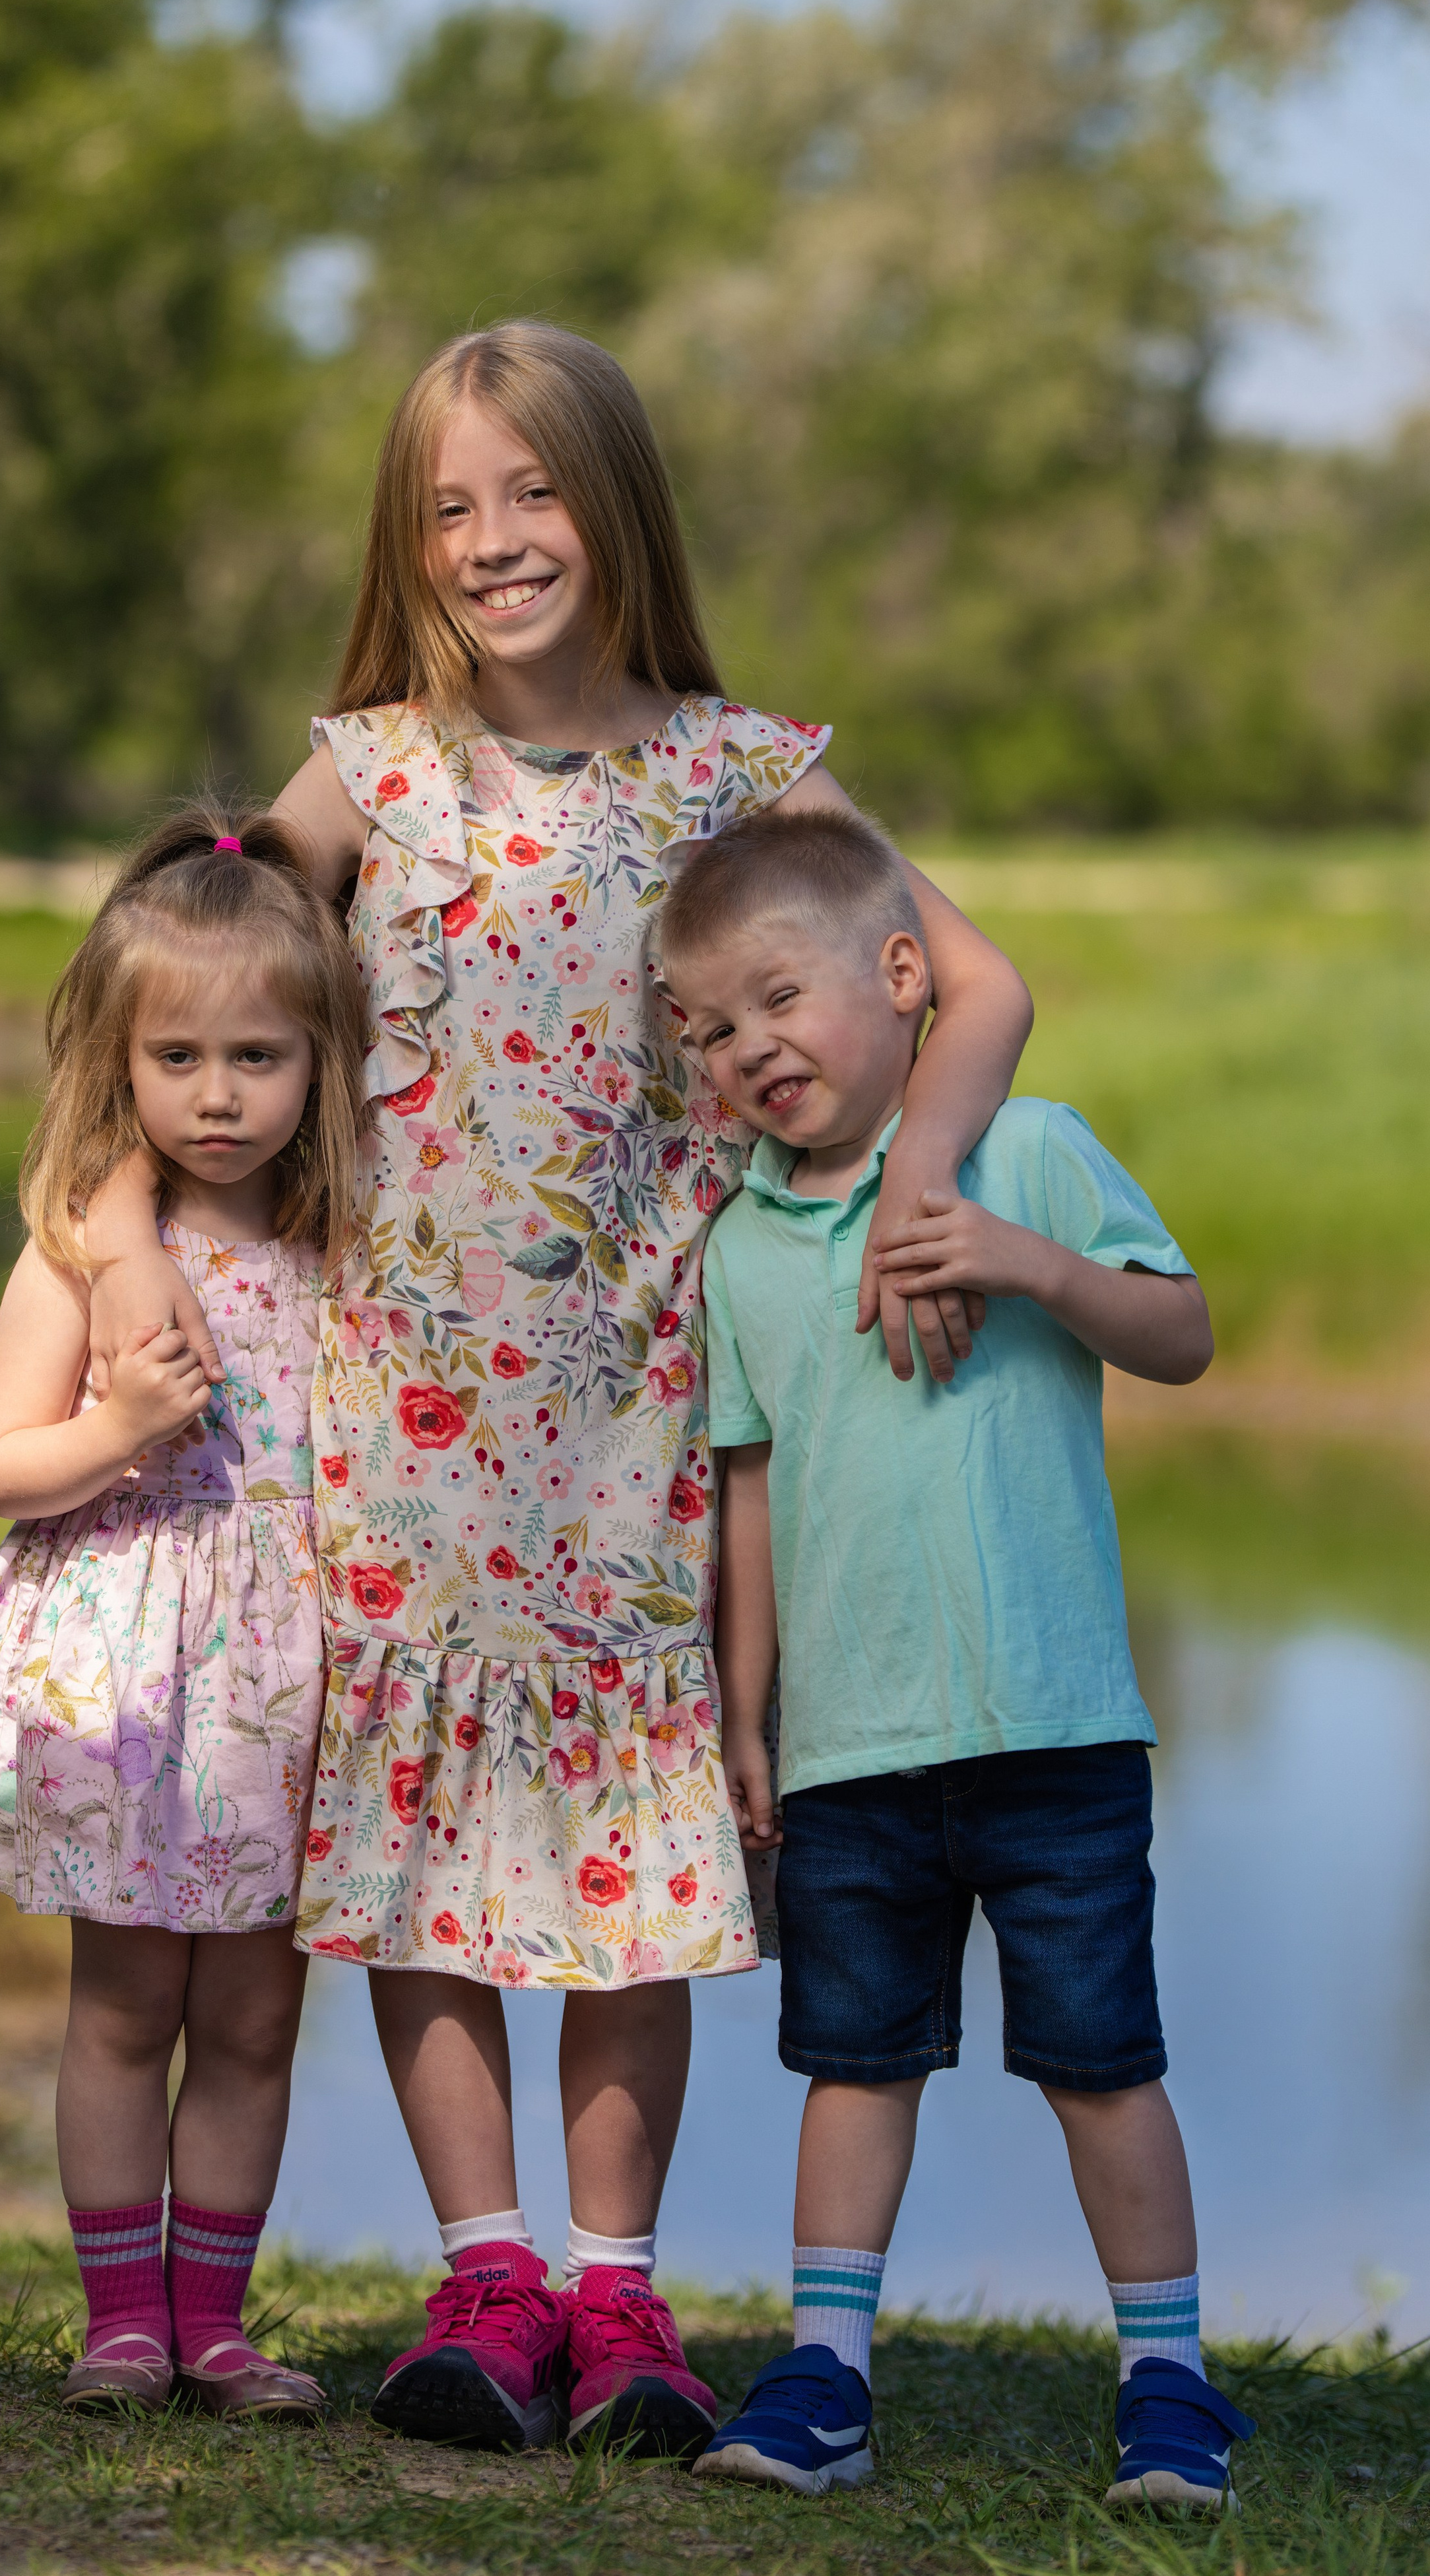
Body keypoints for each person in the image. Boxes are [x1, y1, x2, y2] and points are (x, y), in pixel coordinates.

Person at [79, 319, 1033, 2457]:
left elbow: (978, 978)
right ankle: (484, 2268)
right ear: (405, 543)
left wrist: (931, 1183)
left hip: (645, 1425)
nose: (496, 538)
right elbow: (175, 1001)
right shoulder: (369, 772)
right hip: (395, 1424)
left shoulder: (729, 767)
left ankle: (619, 2300)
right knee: (420, 1858)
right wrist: (125, 1237)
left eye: (534, 489)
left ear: (617, 503)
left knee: (623, 1865)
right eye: (448, 504)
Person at [664, 805, 1256, 2511]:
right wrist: (748, 1706)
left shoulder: (1035, 1149)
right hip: (854, 1742)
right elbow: (754, 1488)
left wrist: (1030, 1264)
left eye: (778, 995)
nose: (747, 1045)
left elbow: (1186, 1329)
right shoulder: (744, 1247)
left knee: (1103, 2058)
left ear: (902, 974)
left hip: (1054, 1721)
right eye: (709, 1025)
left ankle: (1169, 2379)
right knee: (851, 2058)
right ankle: (826, 2373)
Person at [0, 805, 368, 2422]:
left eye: (257, 1055)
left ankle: (214, 2322)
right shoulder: (84, 1254)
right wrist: (115, 1434)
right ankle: (119, 2323)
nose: (218, 1094)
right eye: (177, 1056)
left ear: (318, 1062)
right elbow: (1, 1464)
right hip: (131, 1675)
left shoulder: (334, 1247)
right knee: (122, 2000)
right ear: (120, 1062)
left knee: (250, 2010)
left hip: (281, 1683)